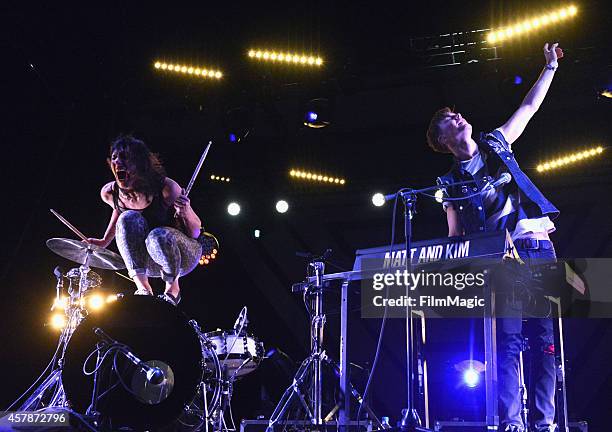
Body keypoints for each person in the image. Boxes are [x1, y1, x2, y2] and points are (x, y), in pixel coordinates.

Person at [426, 43, 562, 432]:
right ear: (445, 140)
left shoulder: (496, 143)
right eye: (452, 120)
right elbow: (455, 237)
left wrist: (549, 68)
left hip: (536, 246)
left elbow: (528, 109)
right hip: (500, 262)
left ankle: (545, 422)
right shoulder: (450, 185)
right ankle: (512, 424)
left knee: (545, 342)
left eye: (458, 115)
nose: (460, 119)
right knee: (508, 344)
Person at [87, 135, 203, 306]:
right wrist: (105, 241)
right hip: (149, 260)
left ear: (139, 163)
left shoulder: (167, 188)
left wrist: (186, 211)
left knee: (157, 235)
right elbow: (119, 212)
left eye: (125, 157)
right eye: (114, 157)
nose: (117, 161)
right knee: (128, 217)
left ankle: (173, 289)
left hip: (183, 255)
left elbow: (195, 232)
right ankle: (143, 288)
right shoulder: (110, 193)